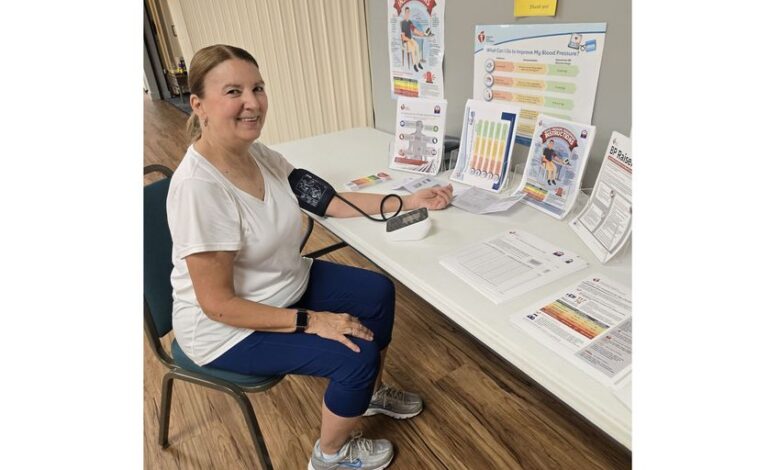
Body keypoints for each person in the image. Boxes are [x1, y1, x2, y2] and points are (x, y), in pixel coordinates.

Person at [166, 44, 453, 470]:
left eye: (257, 88)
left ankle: (366, 393)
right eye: (233, 92)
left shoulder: (257, 154)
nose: (252, 103)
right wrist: (313, 320)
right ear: (198, 104)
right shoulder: (199, 189)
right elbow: (218, 306)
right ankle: (330, 455)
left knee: (376, 292)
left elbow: (327, 200)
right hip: (224, 330)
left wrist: (407, 201)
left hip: (279, 285)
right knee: (354, 355)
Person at [399, 6, 429, 72]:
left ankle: (418, 63)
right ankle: (414, 65)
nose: (408, 13)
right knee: (412, 48)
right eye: (406, 12)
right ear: (404, 13)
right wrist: (410, 41)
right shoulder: (403, 23)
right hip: (406, 40)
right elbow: (403, 37)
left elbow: (414, 30)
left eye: (408, 12)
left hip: (410, 39)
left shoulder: (410, 22)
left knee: (417, 46)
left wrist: (421, 33)